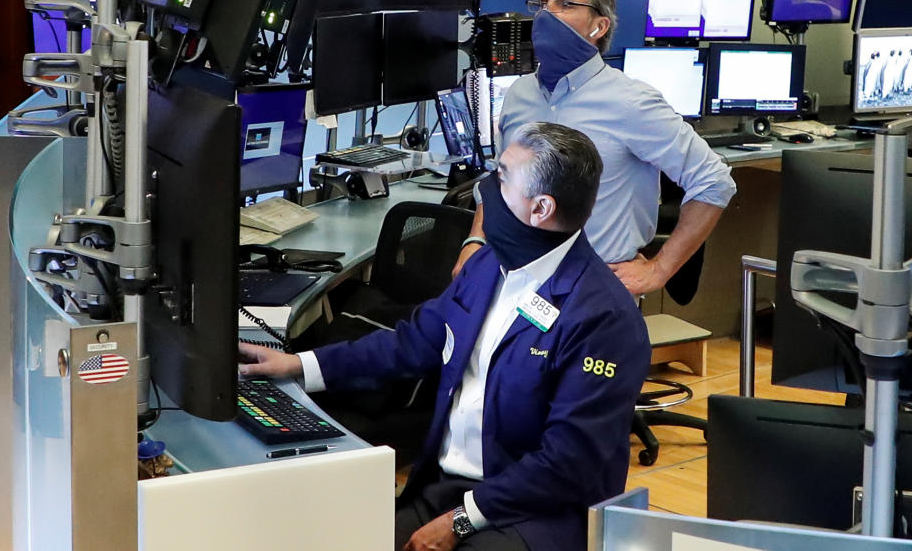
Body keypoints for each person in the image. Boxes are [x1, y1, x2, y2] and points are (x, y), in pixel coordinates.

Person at [239, 122, 651, 551]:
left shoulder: (603, 319)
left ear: (541, 209)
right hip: (446, 489)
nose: (486, 188)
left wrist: (461, 521)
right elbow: (411, 343)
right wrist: (300, 364)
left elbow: (568, 464)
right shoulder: (488, 265)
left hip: (534, 513)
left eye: (503, 176)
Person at [453, 0, 736, 296]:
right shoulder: (519, 94)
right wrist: (474, 241)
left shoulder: (631, 102)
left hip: (592, 290)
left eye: (565, 3)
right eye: (543, 3)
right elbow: (500, 183)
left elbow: (714, 182)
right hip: (515, 283)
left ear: (599, 26)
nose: (547, 13)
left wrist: (659, 271)